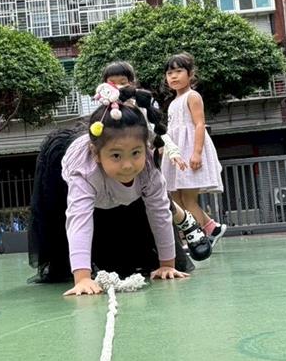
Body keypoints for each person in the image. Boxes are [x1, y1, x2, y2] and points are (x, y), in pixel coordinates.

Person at [28, 85, 191, 296]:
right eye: (116, 156)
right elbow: (79, 220)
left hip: (123, 195)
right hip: (66, 179)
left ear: (146, 147)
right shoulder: (84, 172)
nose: (127, 165)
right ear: (96, 154)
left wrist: (167, 265)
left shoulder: (149, 170)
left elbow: (160, 214)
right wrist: (82, 278)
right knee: (66, 229)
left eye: (136, 153)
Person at [101, 61, 212, 261]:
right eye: (112, 83)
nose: (118, 87)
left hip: (141, 163)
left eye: (123, 82)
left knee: (159, 198)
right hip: (115, 167)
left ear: (132, 84)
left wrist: (174, 152)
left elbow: (157, 132)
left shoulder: (140, 109)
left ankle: (186, 222)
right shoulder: (102, 113)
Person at [161, 53, 227, 247]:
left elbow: (199, 124)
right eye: (169, 73)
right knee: (176, 197)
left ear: (190, 74)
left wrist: (196, 153)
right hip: (177, 154)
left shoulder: (192, 96)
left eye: (179, 71)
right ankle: (212, 228)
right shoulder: (173, 102)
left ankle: (199, 239)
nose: (173, 76)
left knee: (188, 199)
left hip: (190, 151)